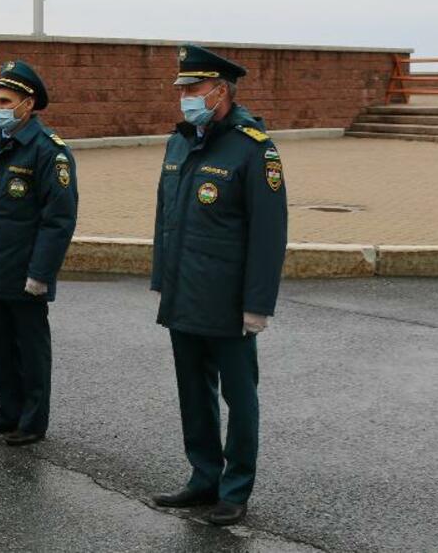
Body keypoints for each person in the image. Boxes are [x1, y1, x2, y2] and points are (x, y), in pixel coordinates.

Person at [149, 44, 288, 527]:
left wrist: (258, 304)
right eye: (182, 88)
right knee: (193, 392)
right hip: (184, 292)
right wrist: (162, 278)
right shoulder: (179, 142)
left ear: (221, 91)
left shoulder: (254, 148)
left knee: (239, 396)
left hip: (229, 300)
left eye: (194, 88)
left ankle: (235, 489)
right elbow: (166, 217)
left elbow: (269, 234)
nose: (185, 97)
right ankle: (203, 477)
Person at [0, 60, 78, 447]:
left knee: (30, 350)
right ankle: (7, 412)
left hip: (25, 272)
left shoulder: (49, 152)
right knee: (0, 349)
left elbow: (58, 219)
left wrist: (41, 273)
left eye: (6, 101)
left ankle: (32, 421)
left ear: (29, 103)